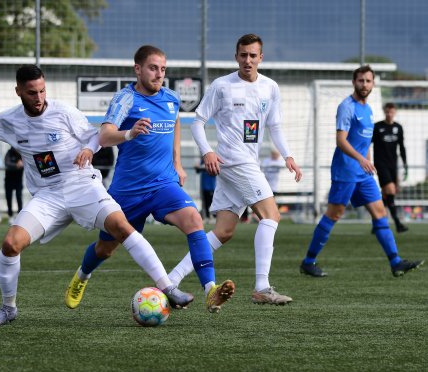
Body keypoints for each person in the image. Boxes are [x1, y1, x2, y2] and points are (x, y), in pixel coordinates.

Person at [0, 64, 194, 326]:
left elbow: (96, 137)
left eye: (42, 91)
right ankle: (8, 308)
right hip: (48, 196)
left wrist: (88, 150)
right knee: (10, 244)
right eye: (31, 93)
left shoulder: (64, 111)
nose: (38, 98)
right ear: (18, 92)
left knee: (121, 227)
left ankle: (168, 288)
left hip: (82, 184)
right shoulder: (10, 120)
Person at [65, 45, 235, 313]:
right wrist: (129, 133)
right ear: (138, 69)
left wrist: (177, 163)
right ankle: (82, 277)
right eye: (153, 68)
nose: (159, 74)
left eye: (163, 69)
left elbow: (176, 122)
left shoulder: (171, 98)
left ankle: (210, 290)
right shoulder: (125, 99)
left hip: (163, 184)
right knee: (105, 248)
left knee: (194, 220)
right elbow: (104, 135)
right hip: (128, 191)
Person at [167, 34, 302, 306]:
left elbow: (274, 126)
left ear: (261, 57)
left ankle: (171, 280)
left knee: (224, 231)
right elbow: (198, 121)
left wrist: (287, 155)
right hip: (234, 161)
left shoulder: (270, 88)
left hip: (247, 162)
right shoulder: (222, 86)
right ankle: (262, 287)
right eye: (243, 55)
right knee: (271, 215)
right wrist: (207, 151)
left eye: (253, 55)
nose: (248, 60)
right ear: (236, 56)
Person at [300, 65, 424, 278]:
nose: (364, 84)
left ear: (373, 83)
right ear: (354, 82)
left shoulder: (368, 110)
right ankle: (308, 262)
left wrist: (367, 163)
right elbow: (341, 141)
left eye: (368, 81)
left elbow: (365, 142)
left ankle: (395, 262)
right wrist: (360, 160)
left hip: (362, 173)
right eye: (360, 81)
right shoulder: (347, 107)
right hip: (345, 170)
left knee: (379, 212)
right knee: (334, 214)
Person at [372, 103, 408, 233]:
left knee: (386, 195)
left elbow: (402, 147)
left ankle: (376, 222)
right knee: (391, 191)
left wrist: (405, 164)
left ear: (395, 112)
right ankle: (398, 224)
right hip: (381, 164)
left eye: (391, 112)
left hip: (393, 165)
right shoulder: (377, 127)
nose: (389, 114)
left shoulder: (398, 127)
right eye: (387, 112)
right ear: (384, 112)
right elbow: (367, 144)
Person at [4, 146, 24, 223]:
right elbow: (7, 163)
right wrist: (16, 165)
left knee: (19, 197)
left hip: (18, 180)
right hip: (9, 180)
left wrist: (22, 163)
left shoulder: (22, 153)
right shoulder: (9, 153)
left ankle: (20, 215)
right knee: (9, 198)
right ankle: (10, 215)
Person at [194, 157, 216, 222]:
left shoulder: (213, 161)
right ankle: (207, 217)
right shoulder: (202, 161)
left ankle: (214, 217)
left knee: (212, 203)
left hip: (211, 186)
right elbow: (197, 170)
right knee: (205, 203)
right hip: (204, 186)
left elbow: (213, 170)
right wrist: (197, 167)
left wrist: (201, 167)